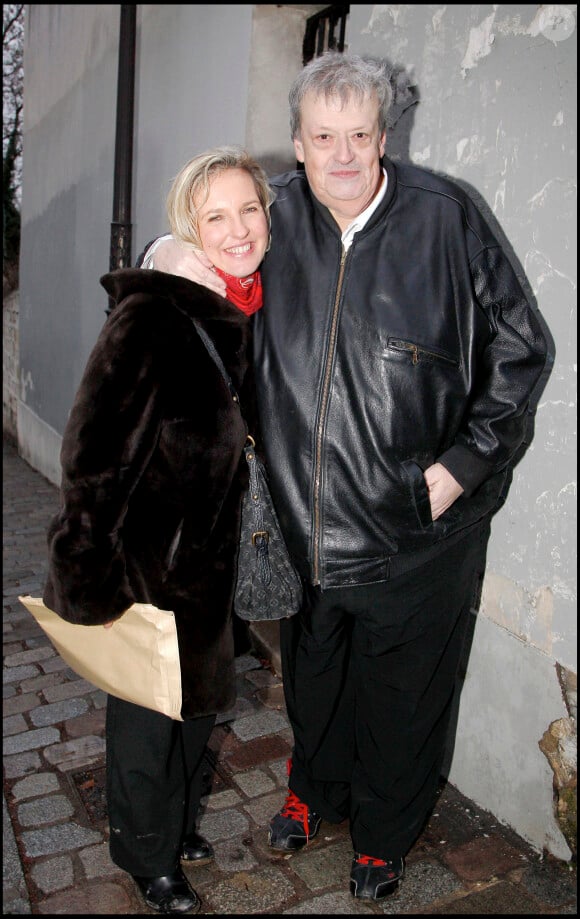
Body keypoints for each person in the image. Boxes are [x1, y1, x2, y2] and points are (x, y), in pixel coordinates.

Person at [141, 52, 548, 901]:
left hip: (418, 530)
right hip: (303, 523)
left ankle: (385, 831)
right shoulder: (274, 217)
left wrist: (461, 467)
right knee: (316, 683)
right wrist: (162, 254)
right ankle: (314, 792)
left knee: (406, 696)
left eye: (359, 134)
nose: (343, 155)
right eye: (323, 136)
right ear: (297, 143)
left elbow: (523, 349)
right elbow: (196, 247)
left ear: (383, 136)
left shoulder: (448, 217)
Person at [43, 146, 273, 914]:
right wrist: (84, 569)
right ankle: (148, 853)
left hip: (215, 563)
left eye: (250, 209)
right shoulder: (155, 310)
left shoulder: (246, 307)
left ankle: (172, 823)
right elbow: (93, 446)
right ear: (190, 227)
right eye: (217, 215)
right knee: (147, 719)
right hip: (149, 565)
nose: (237, 228)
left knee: (197, 709)